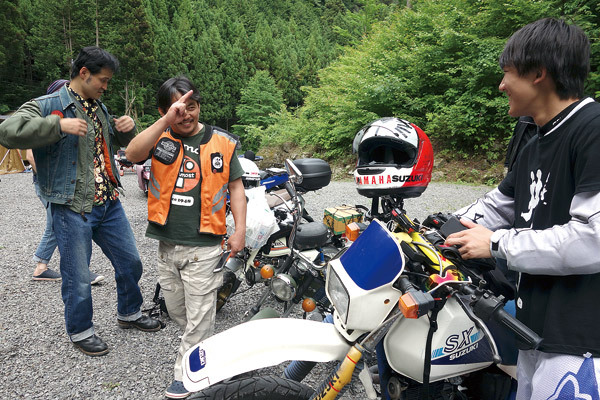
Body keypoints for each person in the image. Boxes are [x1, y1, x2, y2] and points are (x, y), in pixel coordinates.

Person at [444, 18, 600, 399]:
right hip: (534, 335)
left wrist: (497, 244)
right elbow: (495, 207)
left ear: (538, 74)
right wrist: (434, 230)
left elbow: (592, 239)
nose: (501, 85)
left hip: (580, 346)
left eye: (507, 73)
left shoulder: (592, 130)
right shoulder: (534, 144)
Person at [0, 46, 160, 357]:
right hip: (71, 207)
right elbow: (7, 132)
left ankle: (129, 312)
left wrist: (124, 131)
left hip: (108, 202)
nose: (106, 86)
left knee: (131, 262)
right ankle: (81, 330)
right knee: (78, 275)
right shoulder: (48, 105)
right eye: (103, 79)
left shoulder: (99, 108)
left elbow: (110, 148)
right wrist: (57, 125)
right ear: (84, 73)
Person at [125, 76, 247, 399]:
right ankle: (206, 346)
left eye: (191, 106)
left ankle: (188, 375)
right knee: (179, 311)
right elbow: (133, 154)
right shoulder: (160, 136)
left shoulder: (222, 142)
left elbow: (236, 188)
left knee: (200, 318)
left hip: (205, 246)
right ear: (165, 111)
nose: (186, 114)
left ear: (198, 106)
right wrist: (165, 121)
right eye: (178, 109)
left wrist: (239, 231)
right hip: (167, 245)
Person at [27, 79, 104, 285]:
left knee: (58, 224)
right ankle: (52, 267)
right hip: (50, 183)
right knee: (59, 224)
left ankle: (47, 267)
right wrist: (49, 181)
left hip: (65, 182)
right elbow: (30, 155)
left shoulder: (71, 116)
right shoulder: (47, 116)